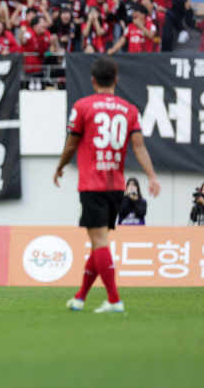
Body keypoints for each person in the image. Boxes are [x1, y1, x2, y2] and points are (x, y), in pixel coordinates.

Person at [55, 57, 160, 313]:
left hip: (92, 184)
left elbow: (71, 144)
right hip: (116, 186)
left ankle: (114, 301)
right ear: (116, 80)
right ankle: (79, 298)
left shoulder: (82, 106)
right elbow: (139, 147)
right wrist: (152, 176)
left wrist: (60, 167)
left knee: (99, 242)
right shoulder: (130, 109)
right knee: (98, 241)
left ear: (92, 81)